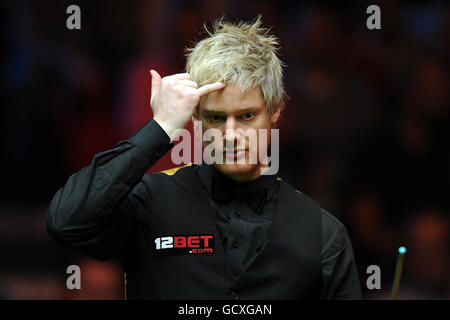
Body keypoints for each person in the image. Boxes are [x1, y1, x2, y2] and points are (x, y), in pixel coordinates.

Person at [45, 16, 362, 300]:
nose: (231, 133)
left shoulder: (322, 232)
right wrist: (161, 128)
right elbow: (67, 222)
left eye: (247, 115)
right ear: (195, 117)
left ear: (275, 110)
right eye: (216, 117)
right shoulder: (150, 202)